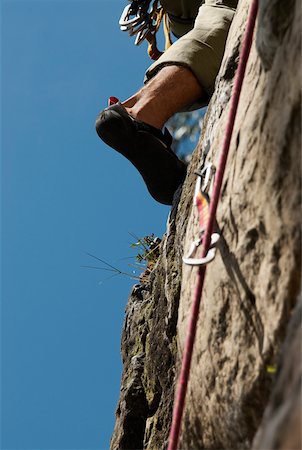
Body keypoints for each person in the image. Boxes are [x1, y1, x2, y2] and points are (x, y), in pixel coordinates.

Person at [95, 0, 238, 205]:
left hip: (180, 15)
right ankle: (144, 112)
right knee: (230, 18)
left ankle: (137, 109)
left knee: (214, 26)